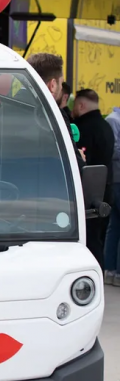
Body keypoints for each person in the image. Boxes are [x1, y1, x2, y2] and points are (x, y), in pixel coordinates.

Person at [74, 89, 115, 269]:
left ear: (81, 105)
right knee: (99, 238)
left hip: (88, 196)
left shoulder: (83, 129)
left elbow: (82, 163)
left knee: (89, 241)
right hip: (106, 190)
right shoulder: (106, 126)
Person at [25, 53, 83, 160]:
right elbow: (72, 162)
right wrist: (80, 158)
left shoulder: (6, 107)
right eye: (61, 83)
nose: (61, 88)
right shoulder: (55, 115)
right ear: (53, 85)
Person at [104, 106, 120, 285]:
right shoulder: (114, 120)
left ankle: (111, 270)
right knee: (114, 226)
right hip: (117, 179)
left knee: (115, 226)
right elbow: (113, 150)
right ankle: (113, 271)